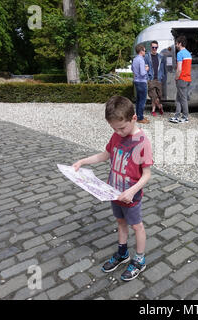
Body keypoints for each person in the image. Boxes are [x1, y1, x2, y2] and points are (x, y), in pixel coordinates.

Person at [72, 96, 153, 281]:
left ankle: (139, 260)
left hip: (131, 196)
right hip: (113, 192)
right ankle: (123, 253)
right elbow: (105, 155)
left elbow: (147, 174)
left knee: (136, 226)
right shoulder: (117, 135)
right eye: (114, 128)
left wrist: (132, 191)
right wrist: (83, 162)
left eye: (122, 127)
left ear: (133, 118)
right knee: (120, 222)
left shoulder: (143, 142)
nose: (118, 132)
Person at [169, 35, 192, 124]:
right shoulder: (188, 53)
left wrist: (176, 77)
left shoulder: (180, 54)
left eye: (176, 43)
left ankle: (185, 116)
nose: (176, 45)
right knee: (178, 98)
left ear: (180, 44)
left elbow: (179, 69)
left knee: (183, 99)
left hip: (181, 79)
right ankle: (177, 116)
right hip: (187, 78)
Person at [145, 40, 166, 117]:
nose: (154, 49)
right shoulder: (147, 56)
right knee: (153, 96)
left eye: (156, 47)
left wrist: (162, 76)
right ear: (150, 47)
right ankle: (158, 107)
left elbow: (163, 69)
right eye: (153, 47)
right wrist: (147, 78)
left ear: (157, 47)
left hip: (159, 79)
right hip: (151, 79)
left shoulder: (160, 57)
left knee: (158, 96)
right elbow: (145, 67)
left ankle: (156, 107)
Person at [132, 44, 150, 124]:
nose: (145, 52)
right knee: (142, 101)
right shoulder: (141, 60)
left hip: (136, 81)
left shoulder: (135, 59)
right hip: (142, 81)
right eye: (144, 50)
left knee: (138, 100)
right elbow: (143, 73)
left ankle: (139, 116)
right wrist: (146, 69)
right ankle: (140, 118)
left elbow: (132, 69)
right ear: (141, 51)